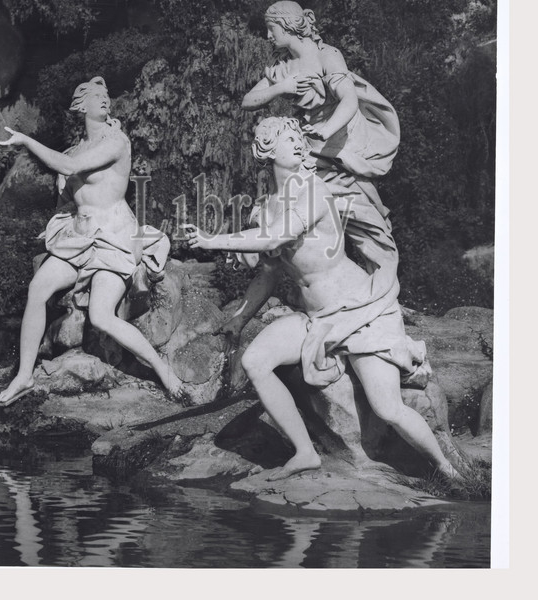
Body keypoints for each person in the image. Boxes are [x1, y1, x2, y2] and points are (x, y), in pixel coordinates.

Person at [184, 117, 461, 483]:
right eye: (288, 139)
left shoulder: (313, 191)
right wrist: (240, 318)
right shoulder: (265, 208)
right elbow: (268, 273)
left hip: (360, 311)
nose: (299, 144)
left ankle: (448, 470)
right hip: (317, 319)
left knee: (387, 407)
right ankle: (305, 453)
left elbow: (275, 238)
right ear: (266, 149)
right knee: (255, 361)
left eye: (300, 139)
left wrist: (212, 240)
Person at [0, 76, 186, 406]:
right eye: (97, 95)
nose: (105, 99)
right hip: (79, 238)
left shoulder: (117, 142)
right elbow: (69, 198)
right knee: (37, 289)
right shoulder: (74, 150)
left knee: (101, 315)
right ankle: (24, 375)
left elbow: (70, 167)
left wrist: (25, 140)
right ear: (81, 106)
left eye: (106, 94)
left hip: (112, 239)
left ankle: (162, 369)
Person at [242, 0, 400, 299]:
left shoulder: (327, 56)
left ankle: (382, 291)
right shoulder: (282, 67)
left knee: (364, 215)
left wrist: (327, 130)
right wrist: (281, 88)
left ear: (288, 25)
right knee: (303, 211)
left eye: (271, 28)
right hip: (309, 149)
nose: (268, 36)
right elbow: (248, 101)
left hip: (341, 145)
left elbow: (349, 101)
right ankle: (323, 290)